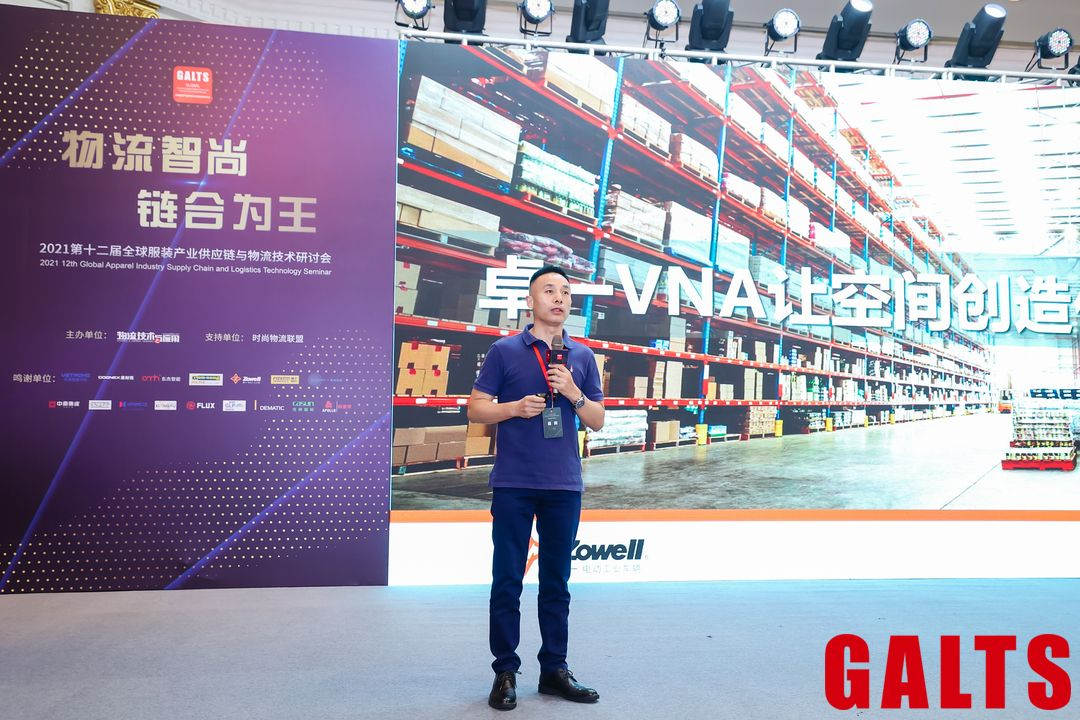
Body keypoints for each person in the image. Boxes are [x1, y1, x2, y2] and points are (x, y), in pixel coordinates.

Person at [467, 265, 606, 711]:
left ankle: (554, 670)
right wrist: (512, 408)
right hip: (514, 483)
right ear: (531, 301)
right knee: (508, 579)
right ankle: (505, 671)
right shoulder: (505, 351)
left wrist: (574, 393)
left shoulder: (582, 357)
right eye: (549, 290)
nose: (559, 298)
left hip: (563, 484)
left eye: (565, 291)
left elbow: (597, 420)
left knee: (556, 582)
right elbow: (475, 409)